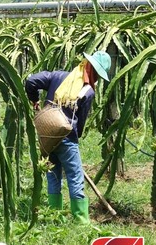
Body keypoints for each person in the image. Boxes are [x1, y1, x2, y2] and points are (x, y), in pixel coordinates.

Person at [25, 51, 111, 224]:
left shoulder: (58, 76)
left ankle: (54, 215)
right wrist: (73, 139)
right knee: (75, 177)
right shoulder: (88, 91)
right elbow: (80, 122)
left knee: (53, 175)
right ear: (94, 71)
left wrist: (34, 100)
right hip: (66, 136)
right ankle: (81, 220)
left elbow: (31, 80)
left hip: (46, 136)